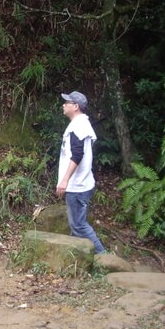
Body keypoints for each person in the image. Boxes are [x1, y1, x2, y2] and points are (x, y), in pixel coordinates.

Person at [55, 91, 106, 254]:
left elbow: (77, 155)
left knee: (79, 225)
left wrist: (64, 180)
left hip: (77, 186)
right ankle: (78, 259)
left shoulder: (78, 126)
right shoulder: (80, 124)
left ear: (75, 106)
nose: (64, 105)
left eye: (67, 102)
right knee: (76, 225)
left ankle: (103, 258)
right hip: (82, 183)